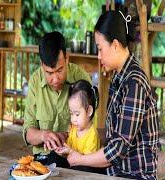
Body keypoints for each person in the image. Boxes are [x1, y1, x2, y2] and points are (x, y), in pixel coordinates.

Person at [66, 11, 159, 179]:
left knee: (75, 170)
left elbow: (117, 150)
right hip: (116, 170)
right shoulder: (119, 76)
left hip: (133, 174)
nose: (99, 56)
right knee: (61, 165)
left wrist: (82, 158)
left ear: (115, 45)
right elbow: (113, 136)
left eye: (100, 48)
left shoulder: (133, 83)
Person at [23, 31, 91, 167]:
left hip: (75, 157)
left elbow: (89, 129)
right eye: (49, 73)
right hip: (43, 158)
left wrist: (67, 136)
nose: (55, 79)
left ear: (67, 58)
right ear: (42, 65)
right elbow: (28, 134)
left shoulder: (81, 79)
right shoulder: (35, 81)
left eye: (59, 70)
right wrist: (44, 135)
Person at [55, 79, 105, 174]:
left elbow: (85, 161)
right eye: (71, 114)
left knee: (81, 169)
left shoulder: (92, 135)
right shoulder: (74, 128)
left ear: (89, 111)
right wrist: (63, 150)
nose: (73, 119)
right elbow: (69, 151)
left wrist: (70, 151)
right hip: (73, 164)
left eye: (77, 114)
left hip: (87, 169)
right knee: (53, 158)